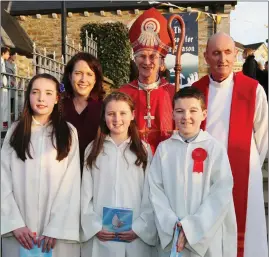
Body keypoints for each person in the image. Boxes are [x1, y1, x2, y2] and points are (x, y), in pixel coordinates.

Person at [192, 32, 268, 257]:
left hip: (244, 174)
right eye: (215, 53)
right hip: (204, 175)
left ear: (236, 55)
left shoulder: (253, 89)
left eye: (227, 52)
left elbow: (263, 135)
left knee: (246, 237)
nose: (222, 59)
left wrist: (250, 165)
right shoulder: (195, 90)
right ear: (206, 57)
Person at [148, 86, 237, 257]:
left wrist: (192, 228)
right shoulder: (164, 149)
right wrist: (172, 225)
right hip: (171, 233)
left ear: (204, 114)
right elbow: (155, 190)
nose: (186, 117)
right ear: (173, 114)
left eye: (193, 110)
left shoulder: (214, 149)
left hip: (205, 235)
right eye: (180, 111)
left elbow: (221, 194)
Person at [1, 73, 81, 257]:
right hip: (20, 230)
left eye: (47, 93)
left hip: (55, 232)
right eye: (35, 92)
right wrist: (14, 223)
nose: (41, 98)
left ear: (56, 98)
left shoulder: (68, 132)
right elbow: (3, 178)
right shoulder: (16, 131)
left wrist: (56, 226)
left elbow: (71, 182)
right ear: (28, 96)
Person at [80, 91, 157, 257]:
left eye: (123, 113)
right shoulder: (93, 149)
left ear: (132, 115)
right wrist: (95, 226)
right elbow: (85, 194)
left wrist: (139, 228)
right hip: (102, 235)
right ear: (104, 117)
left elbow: (150, 193)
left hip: (134, 236)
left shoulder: (143, 151)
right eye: (111, 114)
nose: (117, 119)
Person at [119, 7, 175, 153]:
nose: (147, 61)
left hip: (165, 159)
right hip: (132, 160)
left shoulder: (173, 92)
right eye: (142, 56)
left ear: (161, 62)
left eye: (153, 57)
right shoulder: (123, 93)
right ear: (135, 60)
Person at [62, 52, 105, 172]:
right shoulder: (58, 107)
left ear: (96, 79)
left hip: (94, 174)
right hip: (63, 177)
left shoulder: (105, 109)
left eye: (89, 74)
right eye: (78, 73)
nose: (83, 79)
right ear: (70, 76)